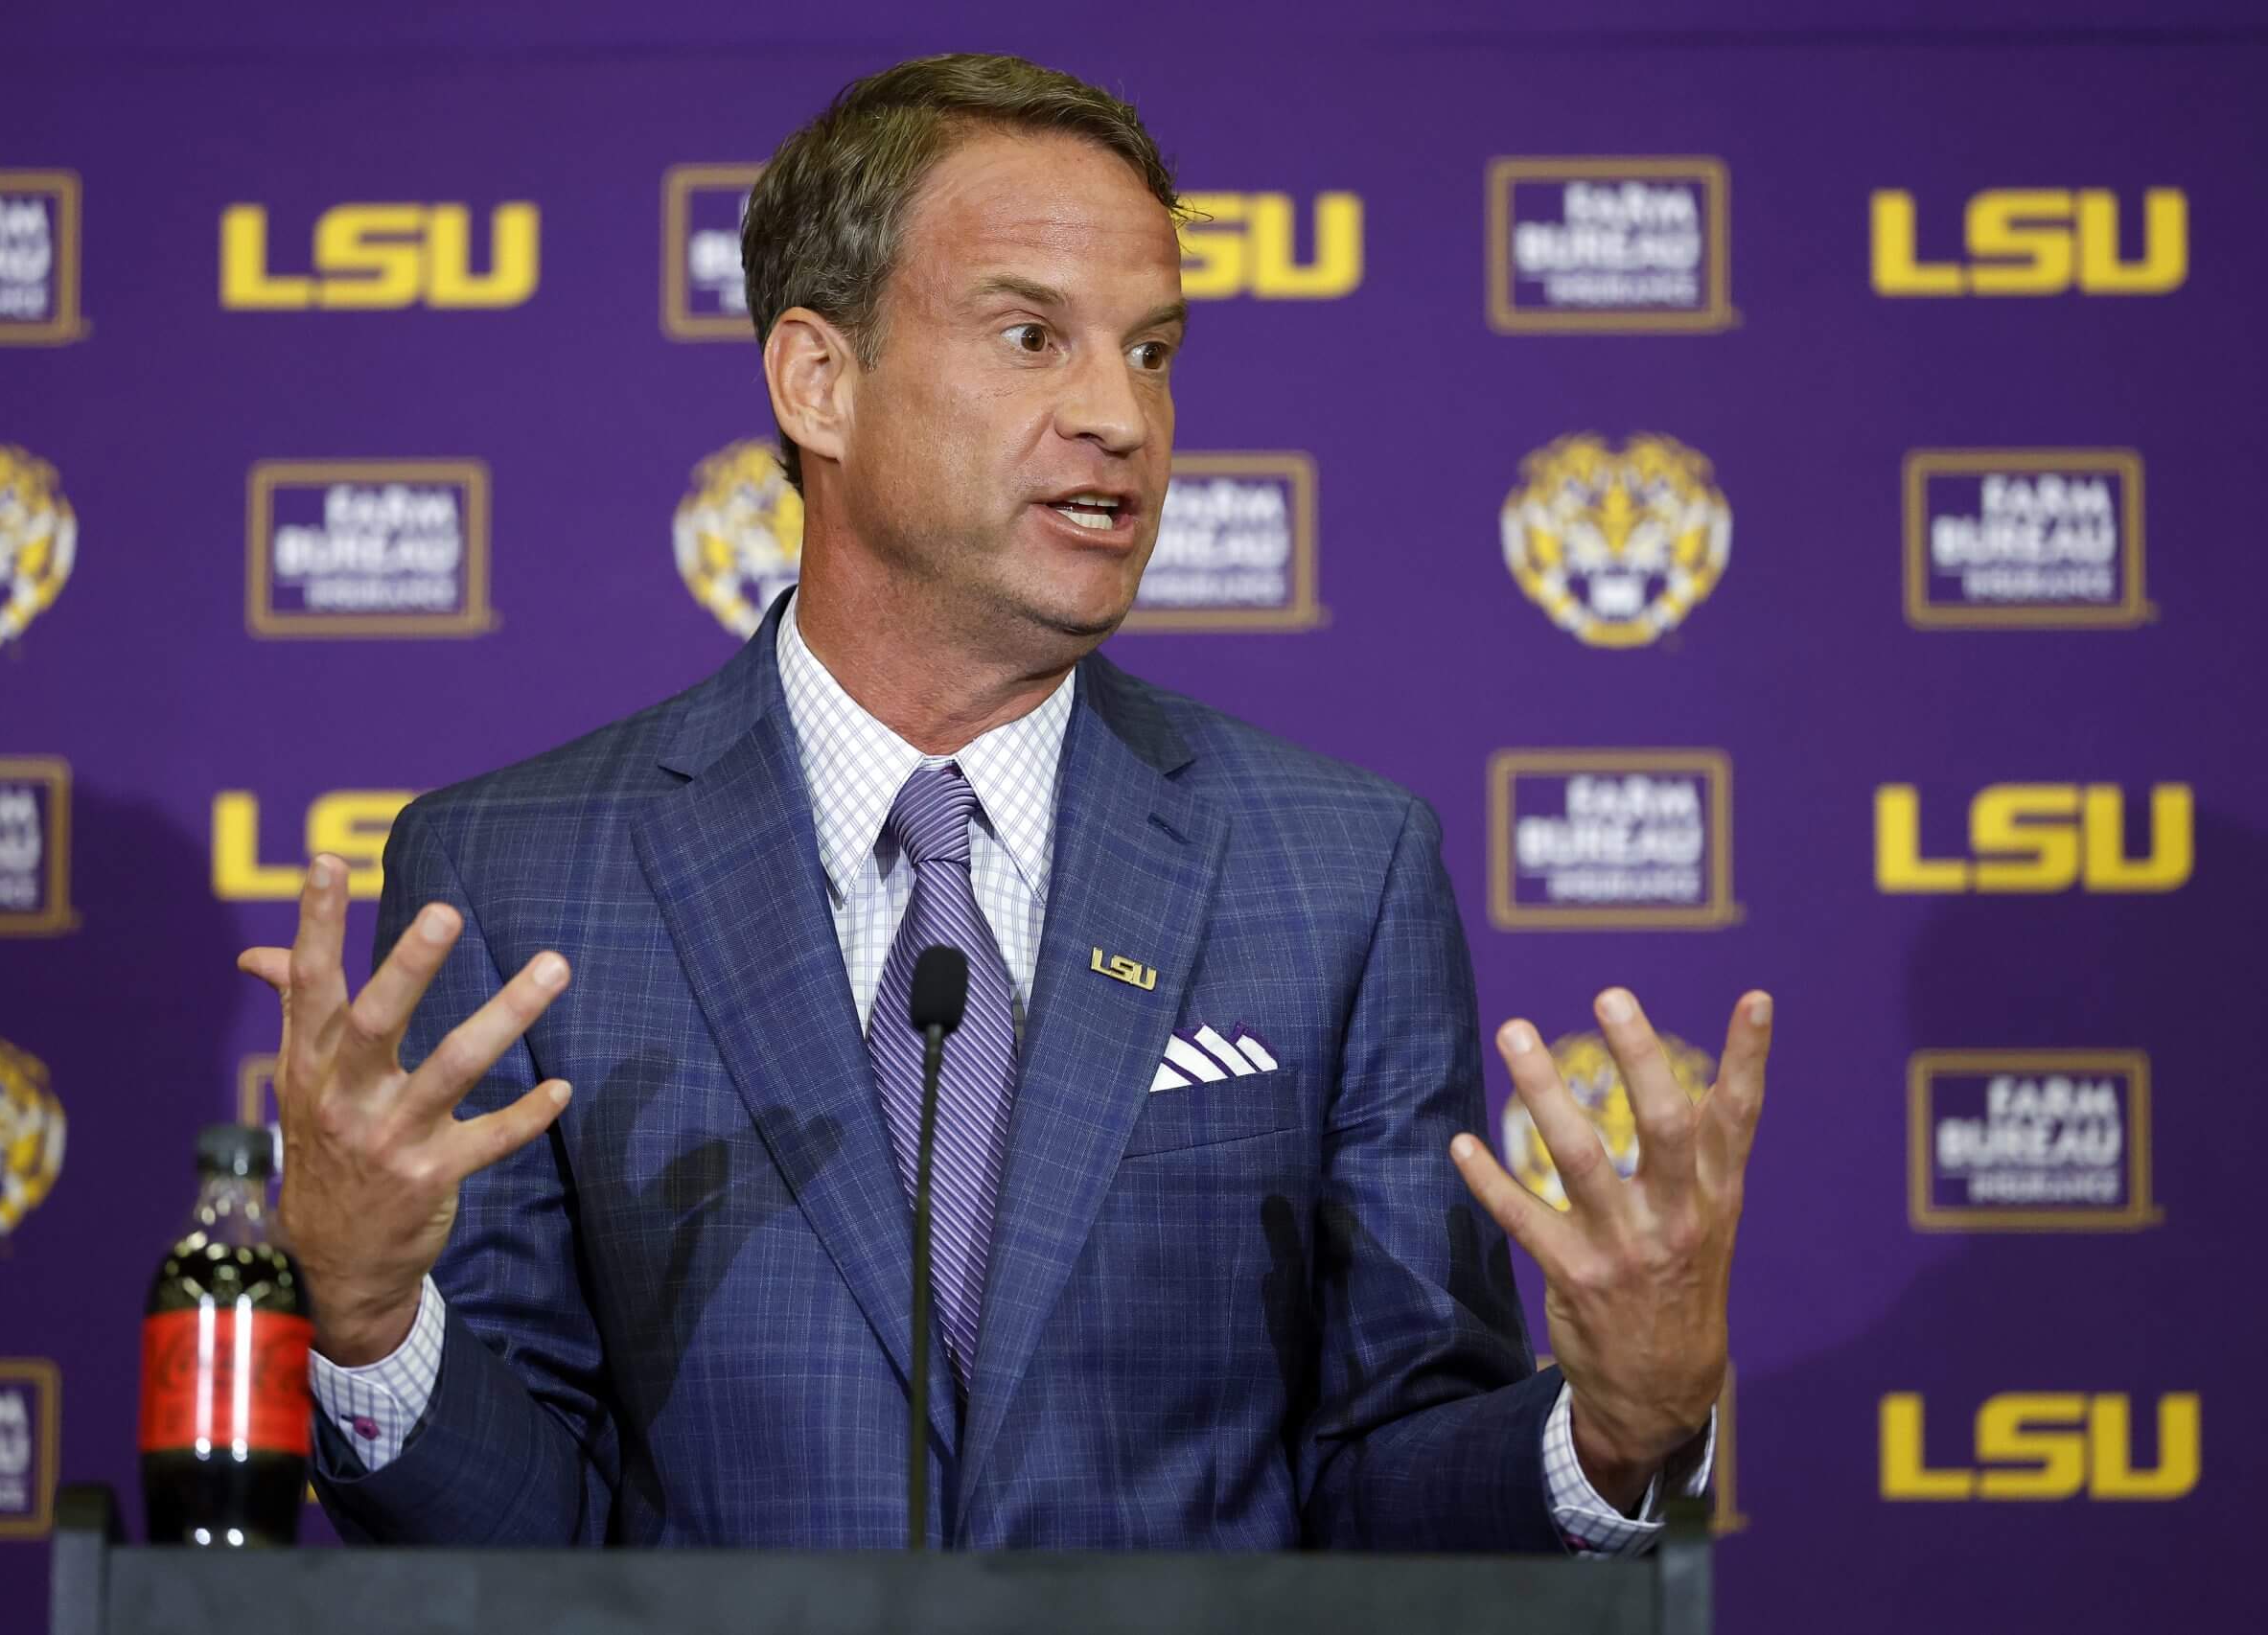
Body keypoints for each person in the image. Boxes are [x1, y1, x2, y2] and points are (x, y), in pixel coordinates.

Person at [237, 53, 1766, 1552]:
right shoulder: (519, 870)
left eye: (1153, 350)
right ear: (817, 382)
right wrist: (368, 1320)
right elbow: (520, 1525)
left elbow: (1383, 1484)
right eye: (1035, 337)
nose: (1121, 416)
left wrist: (1611, 1431)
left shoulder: (1335, 867)